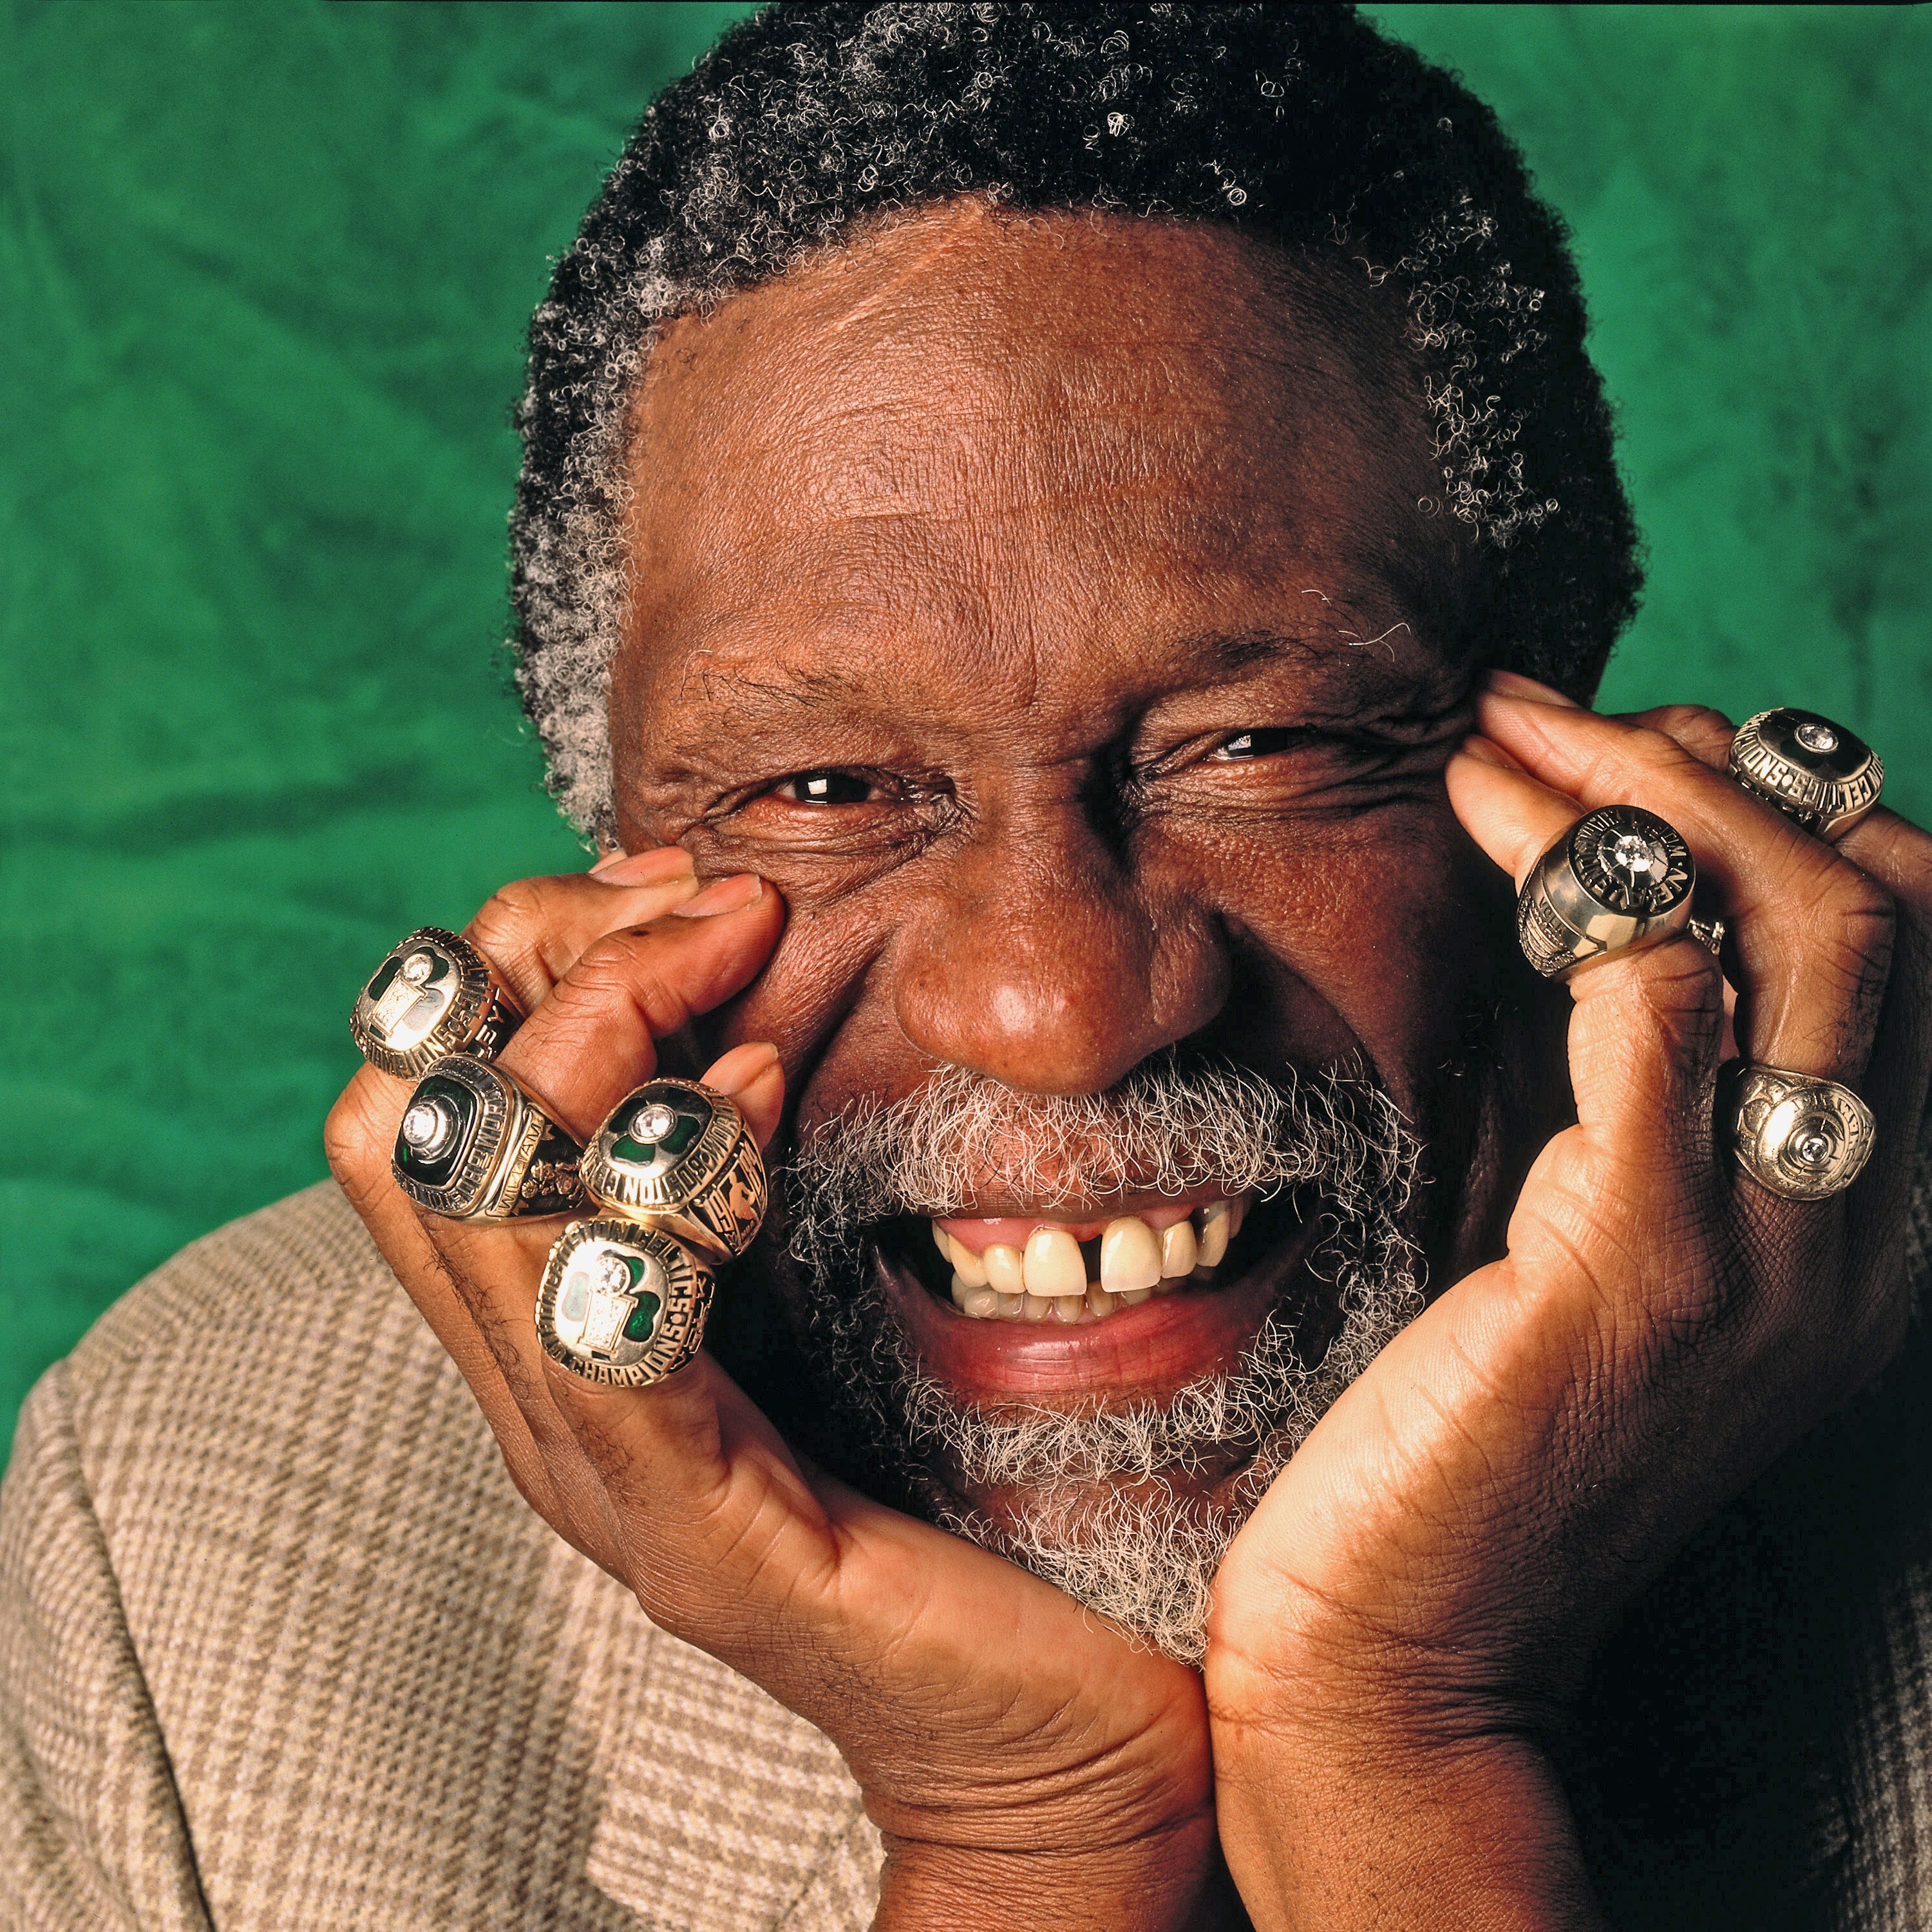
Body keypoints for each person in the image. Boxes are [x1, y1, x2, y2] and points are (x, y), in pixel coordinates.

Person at [5, 6, 1928, 1927]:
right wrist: (1031, 1831)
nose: (1064, 1012)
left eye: (1259, 748)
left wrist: (1400, 1753)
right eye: (828, 788)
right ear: (607, 880)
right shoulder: (186, 1542)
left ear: (1596, 794)